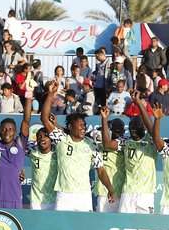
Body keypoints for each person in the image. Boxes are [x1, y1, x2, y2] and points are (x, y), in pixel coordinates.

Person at [40, 83, 115, 212]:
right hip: (64, 195)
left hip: (84, 196)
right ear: (70, 127)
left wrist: (110, 189)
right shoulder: (61, 139)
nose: (83, 127)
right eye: (80, 125)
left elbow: (101, 170)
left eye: (84, 125)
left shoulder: (91, 145)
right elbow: (45, 119)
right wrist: (51, 94)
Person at [103, 95, 157, 214]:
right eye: (131, 128)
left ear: (143, 129)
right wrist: (104, 119)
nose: (133, 131)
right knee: (123, 225)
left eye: (137, 128)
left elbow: (152, 128)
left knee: (144, 227)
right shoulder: (126, 141)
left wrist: (138, 102)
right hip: (127, 192)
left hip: (145, 194)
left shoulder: (151, 141)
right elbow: (107, 144)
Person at [0, 87, 31, 209]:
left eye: (10, 129)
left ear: (15, 132)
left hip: (14, 198)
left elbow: (26, 121)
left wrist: (29, 96)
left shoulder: (20, 145)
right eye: (4, 129)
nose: (7, 132)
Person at [95, 117, 125, 213]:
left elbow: (107, 143)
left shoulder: (123, 144)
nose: (118, 134)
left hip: (119, 190)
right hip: (104, 190)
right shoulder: (98, 142)